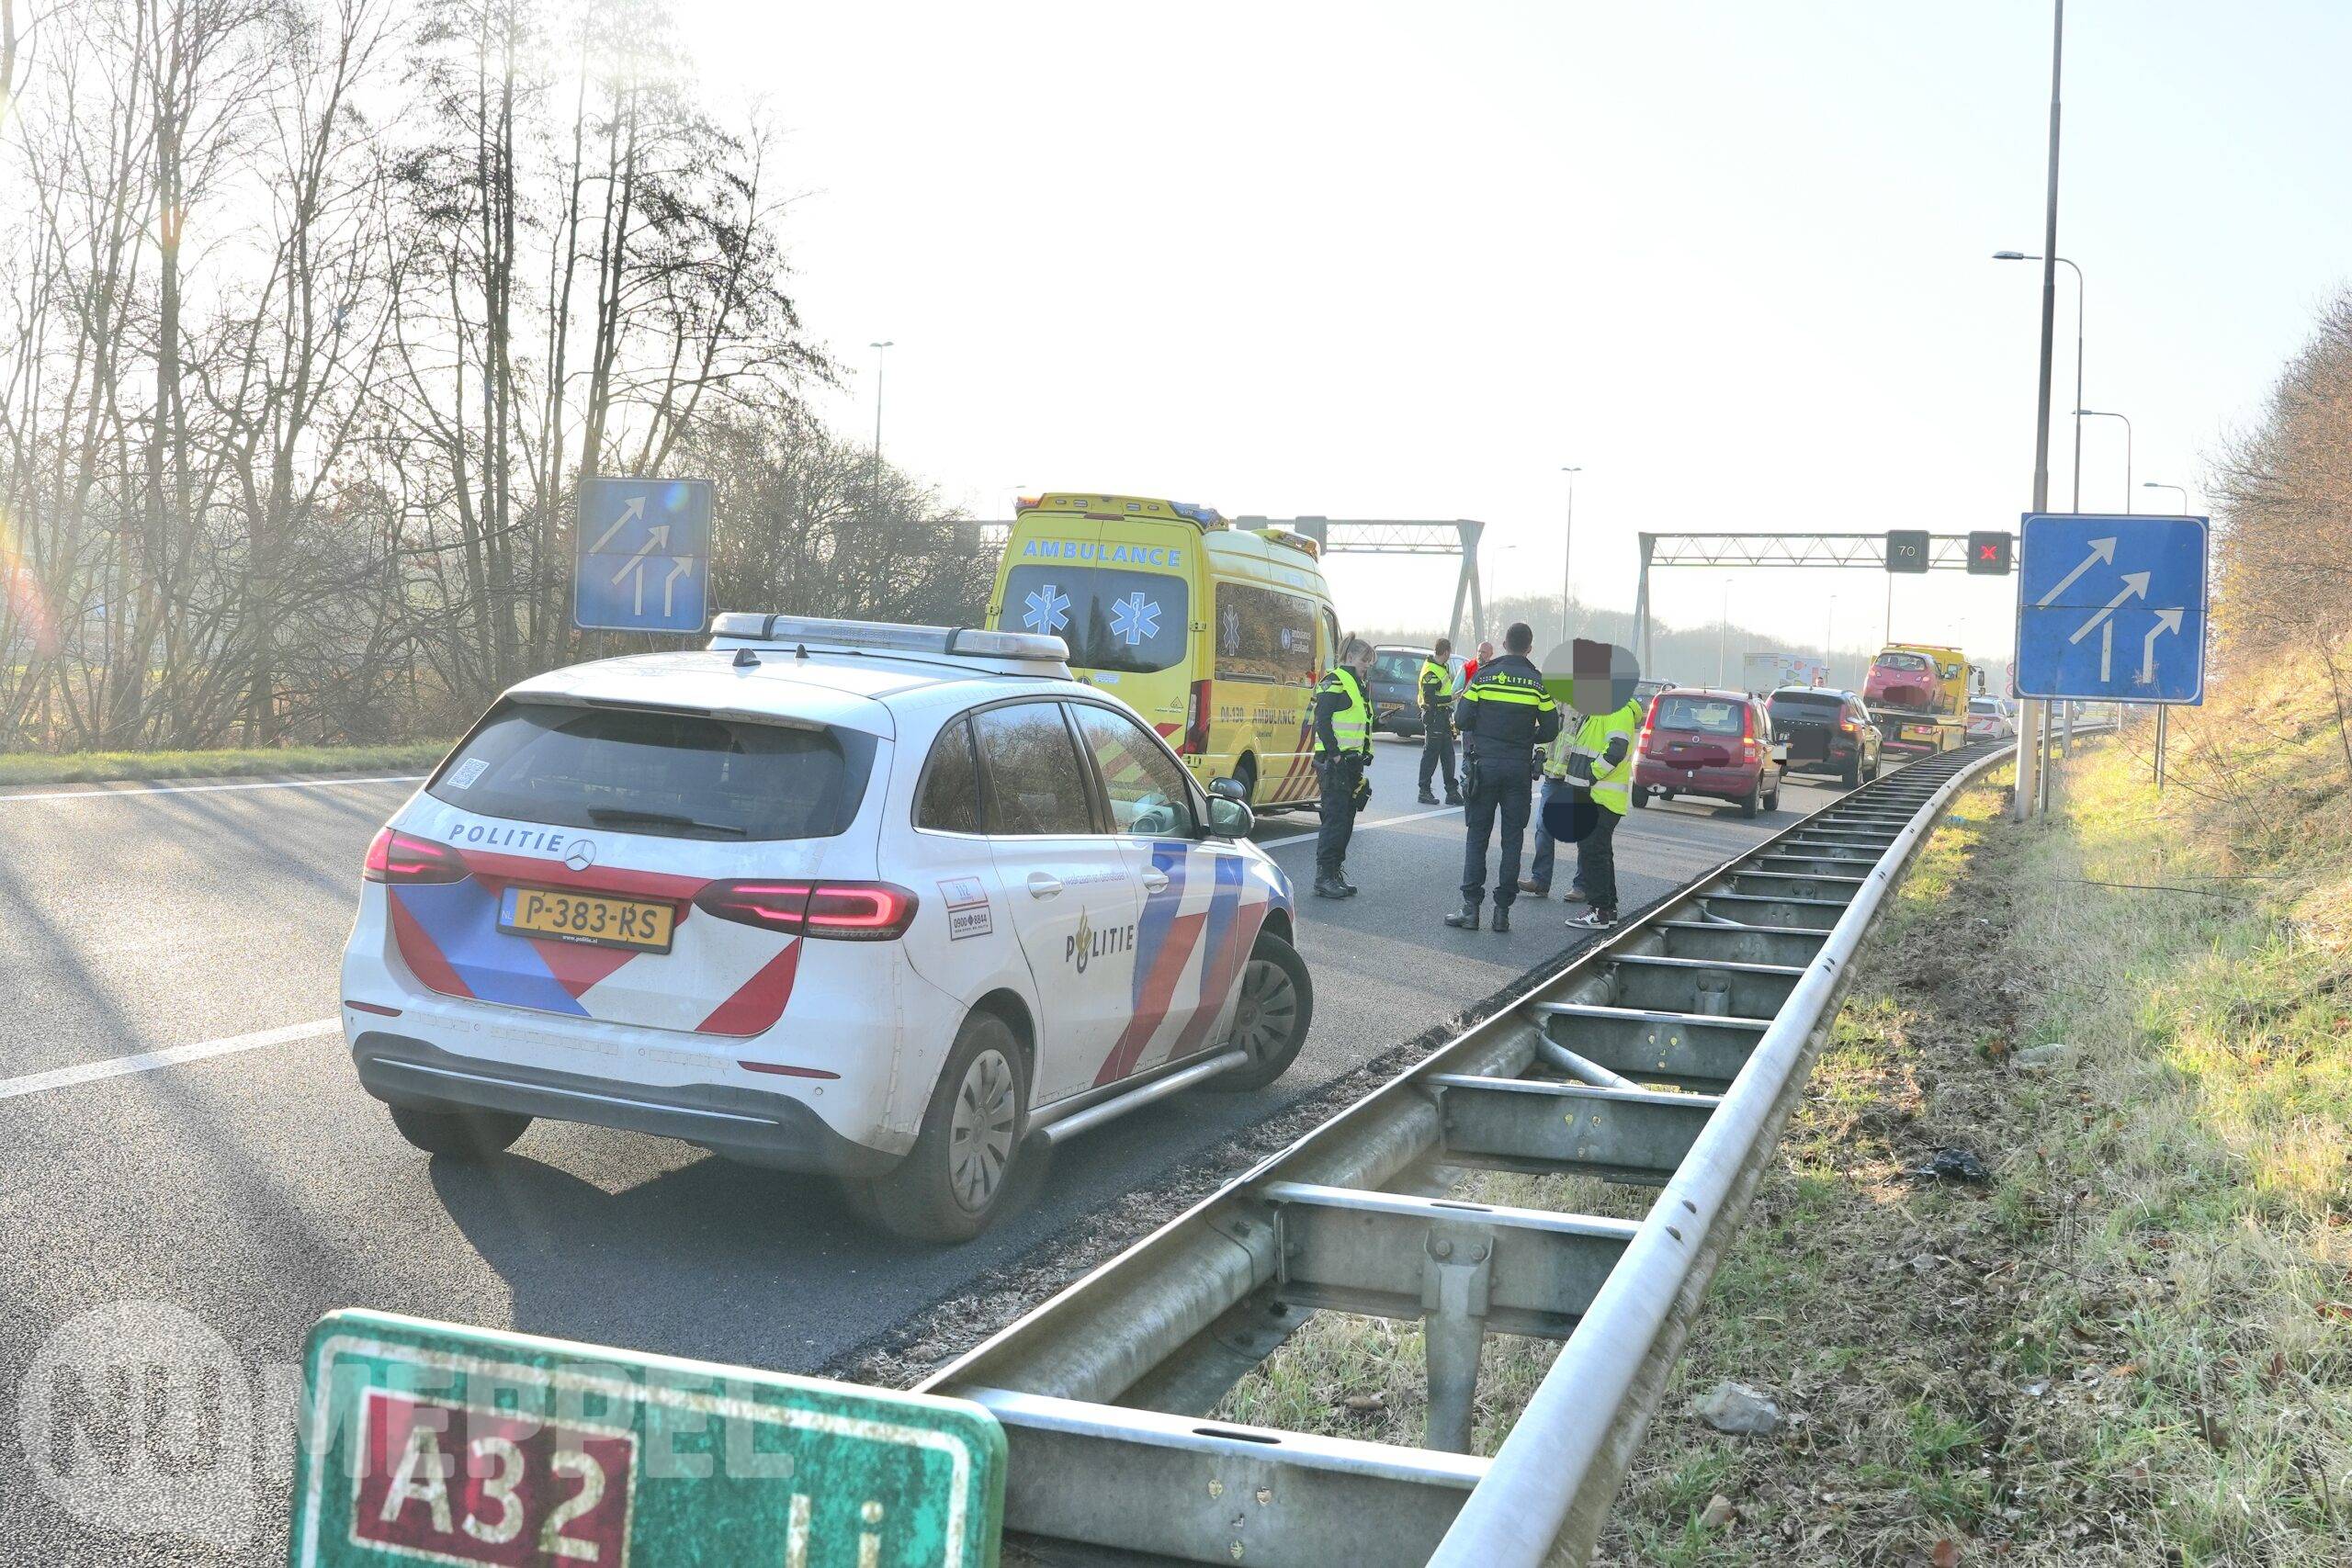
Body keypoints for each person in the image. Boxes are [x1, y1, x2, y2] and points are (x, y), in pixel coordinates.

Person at [1443, 622, 1559, 933]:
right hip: (1518, 770)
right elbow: (1551, 729)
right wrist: (1526, 736)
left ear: (1504, 643)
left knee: (1477, 837)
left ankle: (1470, 910)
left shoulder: (1483, 676)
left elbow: (1462, 718)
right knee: (1512, 840)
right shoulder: (1537, 684)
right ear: (1529, 648)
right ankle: (1502, 913)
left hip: (1484, 768)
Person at [1557, 682, 1645, 929]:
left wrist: (1590, 775)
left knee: (1593, 853)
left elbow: (1615, 750)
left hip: (1600, 795)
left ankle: (1599, 912)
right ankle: (1608, 908)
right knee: (1600, 853)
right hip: (1593, 794)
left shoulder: (1615, 710)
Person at [1310, 638, 1375, 899]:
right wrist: (1336, 756)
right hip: (1334, 764)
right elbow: (1322, 722)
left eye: (1369, 663)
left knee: (1346, 819)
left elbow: (1357, 724)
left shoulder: (1358, 686)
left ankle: (1334, 872)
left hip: (1351, 764)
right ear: (1349, 657)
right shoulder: (1334, 681)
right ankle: (1324, 877)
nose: (1366, 667)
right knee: (1335, 820)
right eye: (1363, 661)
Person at [1519, 705, 1587, 901]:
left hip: (1579, 776)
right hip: (1554, 774)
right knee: (1543, 826)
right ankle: (1540, 879)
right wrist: (1540, 753)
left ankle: (1582, 885)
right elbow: (1545, 728)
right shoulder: (1557, 697)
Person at [1416, 637, 1461, 806]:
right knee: (1431, 755)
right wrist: (1452, 697)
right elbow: (1430, 698)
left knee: (1448, 755)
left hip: (1442, 716)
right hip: (1434, 716)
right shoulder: (1431, 671)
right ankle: (1424, 791)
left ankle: (1451, 791)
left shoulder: (1442, 667)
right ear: (1447, 652)